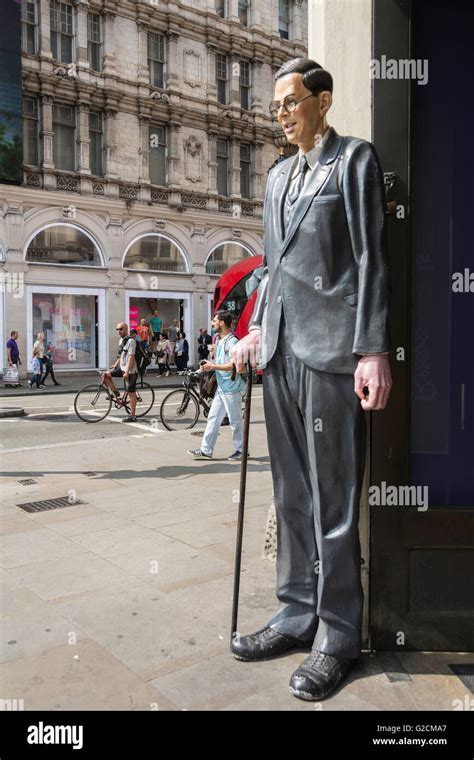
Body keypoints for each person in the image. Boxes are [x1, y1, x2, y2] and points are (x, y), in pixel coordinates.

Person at [230, 58, 392, 701]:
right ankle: (296, 611)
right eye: (276, 106)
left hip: (332, 356)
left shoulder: (354, 161)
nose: (283, 113)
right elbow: (271, 268)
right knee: (291, 495)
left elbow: (371, 260)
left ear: (323, 100)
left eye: (291, 101)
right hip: (280, 353)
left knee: (333, 500)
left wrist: (373, 351)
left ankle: (338, 633)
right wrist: (254, 331)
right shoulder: (275, 179)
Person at [188, 310, 246, 461]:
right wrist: (209, 362)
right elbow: (220, 362)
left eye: (214, 321)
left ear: (221, 323)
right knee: (213, 418)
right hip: (222, 387)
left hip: (231, 388)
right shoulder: (221, 341)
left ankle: (242, 450)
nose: (212, 324)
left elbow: (233, 365)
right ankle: (206, 450)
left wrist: (213, 366)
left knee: (235, 421)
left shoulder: (232, 341)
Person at [103, 322, 138, 423]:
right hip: (122, 367)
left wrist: (127, 372)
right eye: (117, 329)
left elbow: (131, 357)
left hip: (131, 371)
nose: (119, 331)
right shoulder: (121, 340)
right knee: (105, 375)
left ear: (126, 329)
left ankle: (133, 415)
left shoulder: (131, 341)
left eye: (121, 329)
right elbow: (121, 355)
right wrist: (115, 364)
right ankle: (115, 393)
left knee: (131, 392)